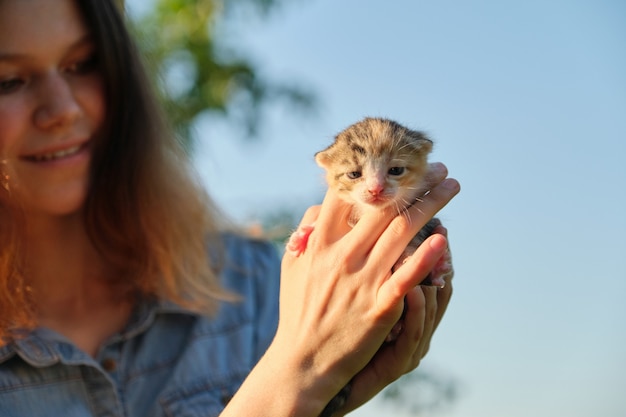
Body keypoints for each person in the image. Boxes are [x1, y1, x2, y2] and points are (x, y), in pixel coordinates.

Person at [0, 0, 460, 416]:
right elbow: (294, 378)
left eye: (83, 64)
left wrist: (332, 395)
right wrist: (296, 375)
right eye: (9, 80)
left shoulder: (259, 283)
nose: (61, 109)